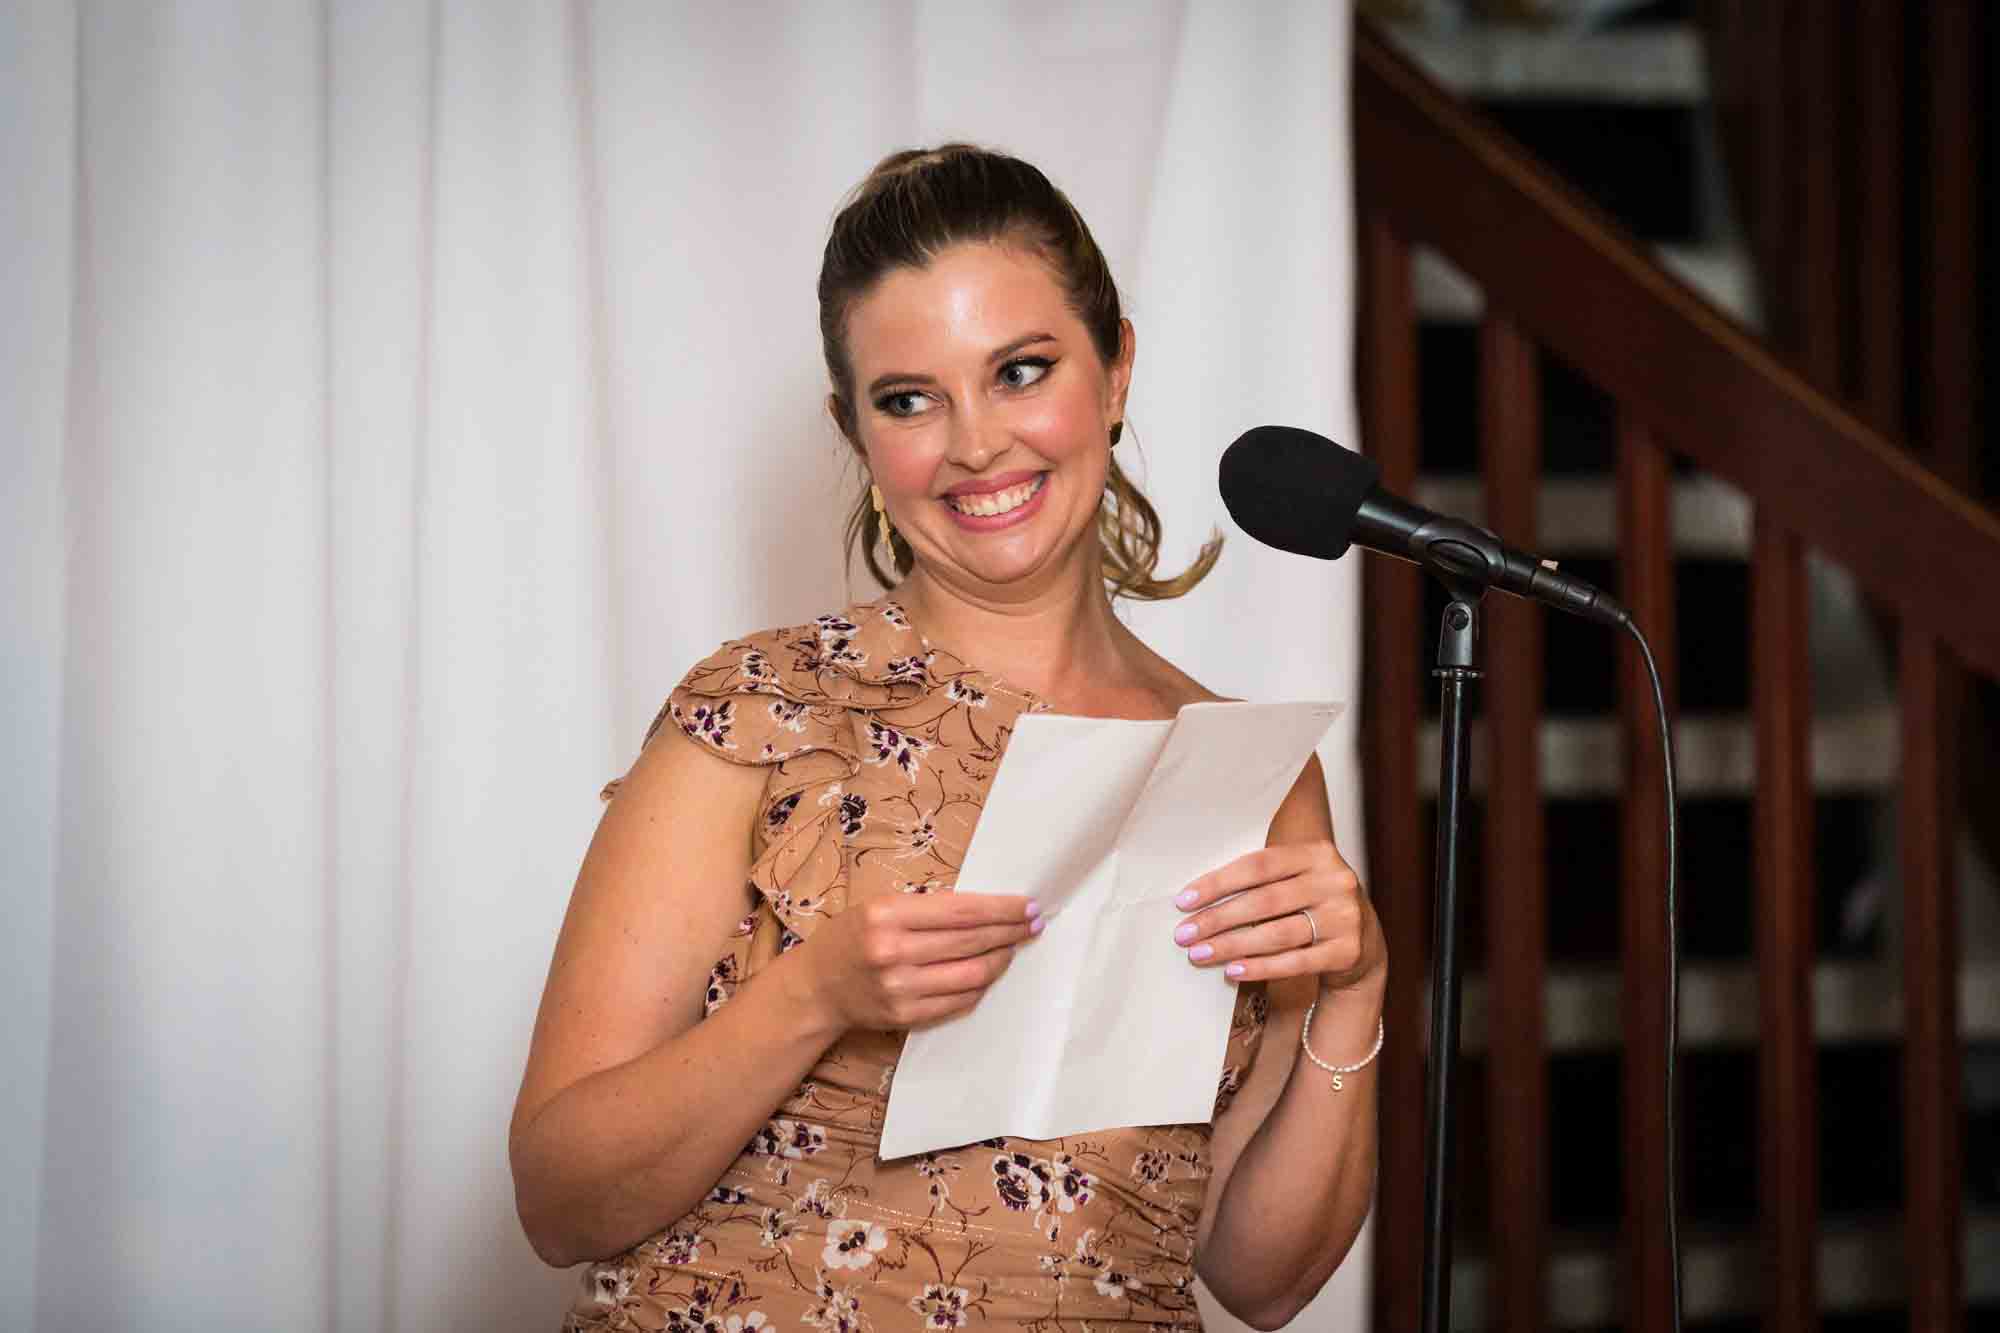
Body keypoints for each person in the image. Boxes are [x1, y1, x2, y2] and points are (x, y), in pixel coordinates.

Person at [509, 144, 1386, 1332]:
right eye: (908, 398)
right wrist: (812, 994)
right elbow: (559, 1202)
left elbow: (1262, 1278)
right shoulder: (758, 709)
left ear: (1115, 368)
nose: (974, 444)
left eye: (1021, 371)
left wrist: (1352, 989)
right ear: (856, 432)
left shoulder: (1249, 774)